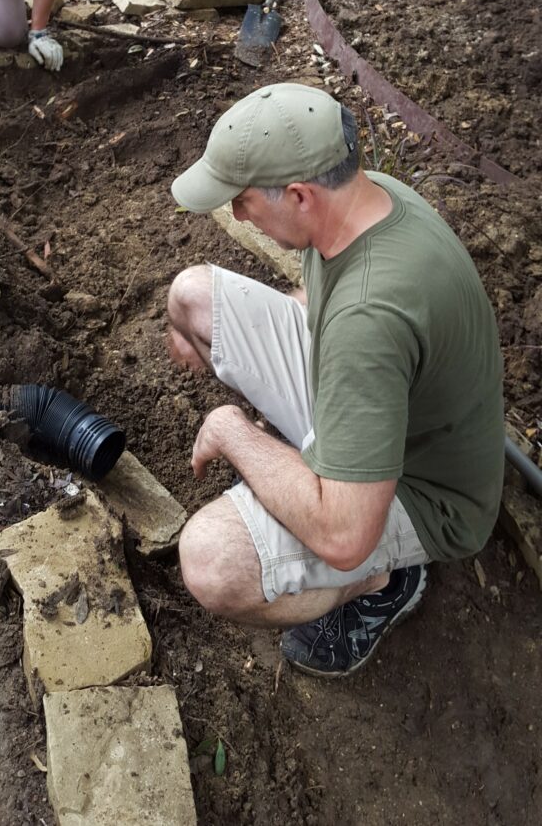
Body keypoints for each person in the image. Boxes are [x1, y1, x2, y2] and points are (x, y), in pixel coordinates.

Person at [167, 83, 504, 677]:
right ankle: (318, 470)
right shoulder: (367, 199)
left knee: (212, 561)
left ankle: (383, 581)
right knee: (193, 297)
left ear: (299, 194)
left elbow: (346, 534)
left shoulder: (368, 320)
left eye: (241, 201)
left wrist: (235, 432)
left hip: (424, 493)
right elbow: (319, 299)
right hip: (373, 401)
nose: (236, 215)